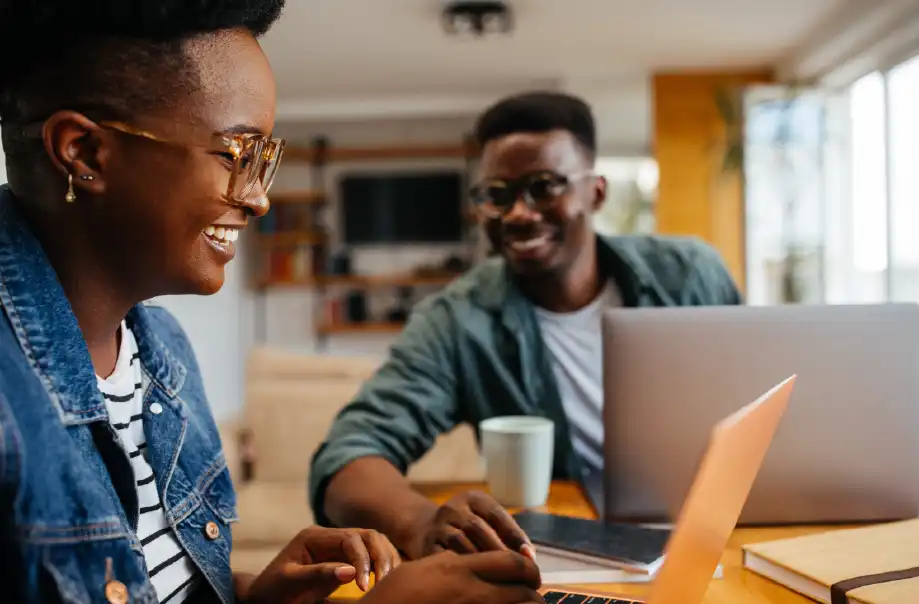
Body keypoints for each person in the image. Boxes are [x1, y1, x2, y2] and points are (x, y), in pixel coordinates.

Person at [0, 2, 542, 603]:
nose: (258, 199)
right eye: (237, 154)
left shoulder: (163, 355)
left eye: (266, 160)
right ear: (83, 152)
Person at [312, 91, 742, 561]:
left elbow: (759, 410)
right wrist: (420, 524)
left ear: (595, 191)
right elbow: (347, 454)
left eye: (544, 186)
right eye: (497, 195)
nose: (518, 213)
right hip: (565, 555)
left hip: (708, 534)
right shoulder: (457, 321)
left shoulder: (691, 274)